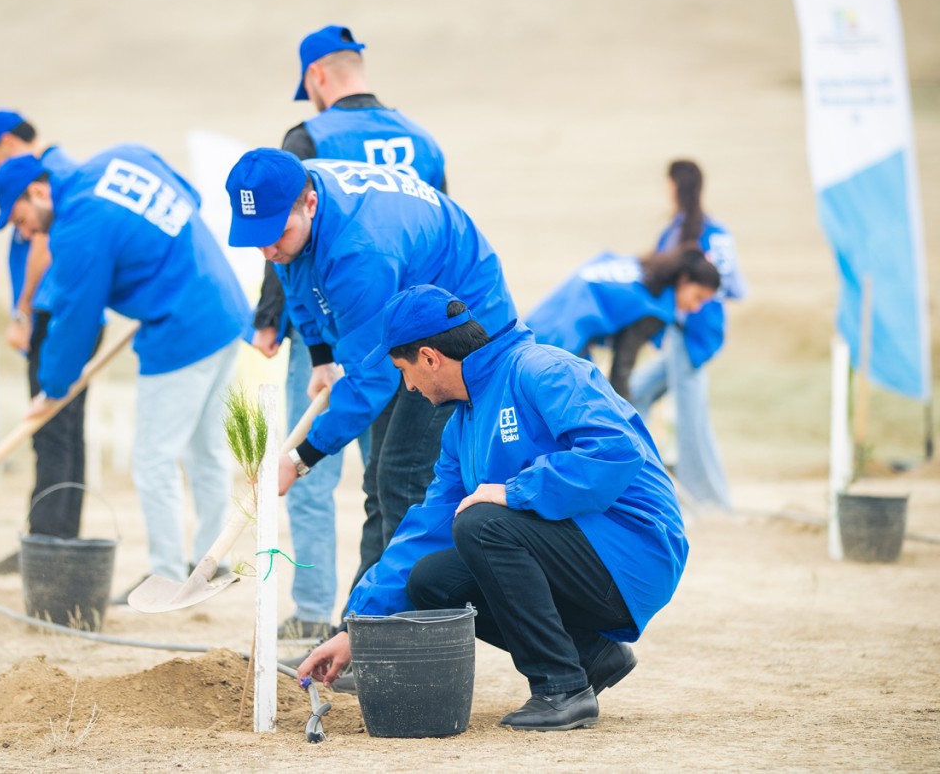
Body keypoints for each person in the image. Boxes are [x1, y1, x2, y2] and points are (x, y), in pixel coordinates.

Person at [298, 285, 688, 732]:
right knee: (431, 579)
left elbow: (614, 452)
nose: (407, 385)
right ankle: (590, 655)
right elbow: (425, 530)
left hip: (636, 552)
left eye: (404, 370)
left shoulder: (542, 369)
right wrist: (358, 627)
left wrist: (515, 492)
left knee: (482, 523)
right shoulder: (460, 426)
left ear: (429, 357)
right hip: (585, 557)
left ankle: (562, 690)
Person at [225, 148, 518, 617]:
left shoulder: (360, 250)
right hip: (408, 311)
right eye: (255, 239)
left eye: (275, 235)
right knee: (382, 480)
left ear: (310, 205)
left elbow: (372, 380)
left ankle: (402, 632)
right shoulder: (294, 202)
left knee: (402, 475)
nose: (267, 250)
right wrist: (320, 355)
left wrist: (300, 459)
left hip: (462, 322)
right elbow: (296, 280)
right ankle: (361, 624)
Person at [253, 24, 449, 641]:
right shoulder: (424, 140)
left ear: (316, 78)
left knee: (340, 470)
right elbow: (439, 229)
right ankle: (360, 624)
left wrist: (271, 320)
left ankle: (329, 612)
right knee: (388, 479)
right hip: (413, 336)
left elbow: (283, 248)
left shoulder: (308, 136)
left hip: (348, 322)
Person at [0, 148, 250, 596]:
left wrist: (51, 386)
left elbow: (76, 317)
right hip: (224, 307)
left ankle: (168, 576)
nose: (25, 230)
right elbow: (190, 197)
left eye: (20, 217)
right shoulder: (122, 157)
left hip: (181, 329)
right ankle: (213, 563)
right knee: (205, 451)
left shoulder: (77, 226)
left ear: (38, 190)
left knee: (153, 458)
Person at [0, 109, 91, 574]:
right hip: (65, 314)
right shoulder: (53, 169)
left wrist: (22, 312)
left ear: (6, 142)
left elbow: (44, 245)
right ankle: (56, 536)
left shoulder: (50, 176)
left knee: (50, 430)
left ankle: (45, 540)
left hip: (55, 314)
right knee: (63, 432)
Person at [627, 160, 746, 511]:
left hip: (685, 333)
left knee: (691, 420)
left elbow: (659, 282)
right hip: (708, 331)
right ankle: (645, 470)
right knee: (634, 393)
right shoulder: (720, 232)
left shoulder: (678, 232)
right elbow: (736, 288)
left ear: (673, 187)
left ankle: (709, 500)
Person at [525, 244, 720, 400]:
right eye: (698, 297)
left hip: (540, 322)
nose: (696, 308)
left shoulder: (640, 269)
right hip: (560, 342)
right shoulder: (654, 307)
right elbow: (622, 366)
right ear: (684, 280)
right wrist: (625, 415)